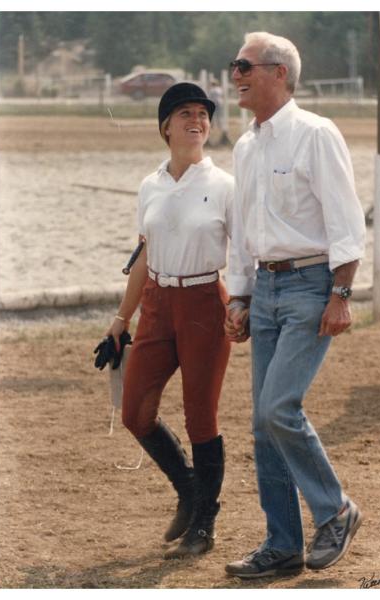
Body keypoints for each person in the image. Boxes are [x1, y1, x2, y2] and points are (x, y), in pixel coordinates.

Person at [222, 31, 366, 579]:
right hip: (265, 289)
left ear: (278, 72)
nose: (235, 75)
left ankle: (335, 510)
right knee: (263, 426)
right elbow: (244, 232)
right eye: (234, 66)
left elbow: (346, 225)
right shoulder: (244, 146)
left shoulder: (316, 135)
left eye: (244, 66)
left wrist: (341, 295)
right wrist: (238, 296)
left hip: (311, 286)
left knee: (278, 408)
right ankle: (282, 544)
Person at [107, 82, 245, 559]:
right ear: (165, 126)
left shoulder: (225, 185)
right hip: (158, 302)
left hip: (206, 301)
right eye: (185, 113)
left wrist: (241, 304)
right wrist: (122, 318)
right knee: (134, 412)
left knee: (200, 417)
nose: (197, 120)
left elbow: (244, 253)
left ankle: (204, 523)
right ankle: (189, 489)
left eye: (203, 114)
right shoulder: (151, 185)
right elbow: (143, 255)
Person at [208, 78, 231, 147]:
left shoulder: (212, 90)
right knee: (219, 116)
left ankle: (212, 125)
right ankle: (219, 125)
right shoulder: (219, 89)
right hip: (219, 103)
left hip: (214, 103)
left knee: (212, 115)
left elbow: (209, 97)